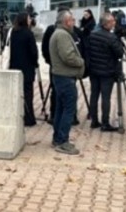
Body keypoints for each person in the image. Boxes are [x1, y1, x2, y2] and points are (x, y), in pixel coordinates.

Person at [49, 10, 85, 155]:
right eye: (72, 20)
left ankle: (57, 138)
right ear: (66, 22)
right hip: (65, 78)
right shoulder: (62, 35)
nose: (74, 22)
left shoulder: (59, 33)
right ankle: (63, 141)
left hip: (60, 77)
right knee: (68, 110)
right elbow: (68, 56)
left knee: (60, 109)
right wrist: (81, 62)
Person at [87, 12, 123, 132]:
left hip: (94, 70)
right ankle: (105, 123)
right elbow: (119, 53)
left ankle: (94, 120)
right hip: (107, 71)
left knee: (94, 95)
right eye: (112, 21)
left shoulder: (92, 35)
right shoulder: (111, 37)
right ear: (106, 23)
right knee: (105, 97)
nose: (114, 23)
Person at [9, 12, 39, 127]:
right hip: (27, 68)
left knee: (17, 93)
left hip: (15, 66)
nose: (30, 20)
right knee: (27, 93)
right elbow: (33, 52)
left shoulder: (13, 32)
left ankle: (16, 116)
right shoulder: (28, 34)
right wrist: (35, 62)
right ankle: (28, 117)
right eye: (28, 19)